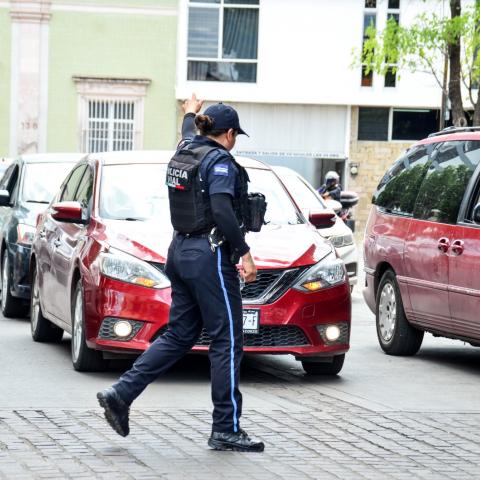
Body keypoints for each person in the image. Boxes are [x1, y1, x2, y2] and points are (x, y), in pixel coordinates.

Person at [97, 94, 265, 453]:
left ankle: (120, 393)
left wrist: (189, 111)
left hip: (180, 252)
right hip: (210, 255)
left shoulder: (186, 148)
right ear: (230, 133)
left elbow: (188, 130)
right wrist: (244, 253)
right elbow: (221, 207)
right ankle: (226, 428)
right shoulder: (220, 162)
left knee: (179, 334)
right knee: (227, 340)